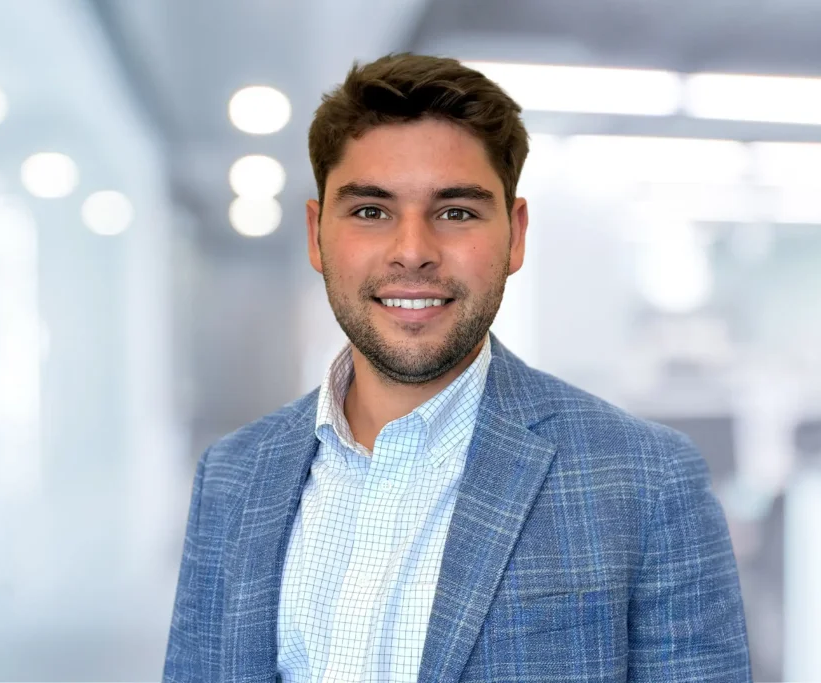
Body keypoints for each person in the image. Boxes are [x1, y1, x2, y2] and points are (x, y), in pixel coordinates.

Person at [163, 53, 751, 683]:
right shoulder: (231, 478)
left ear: (515, 235)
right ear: (316, 235)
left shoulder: (648, 484)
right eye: (370, 211)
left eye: (456, 212)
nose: (413, 251)